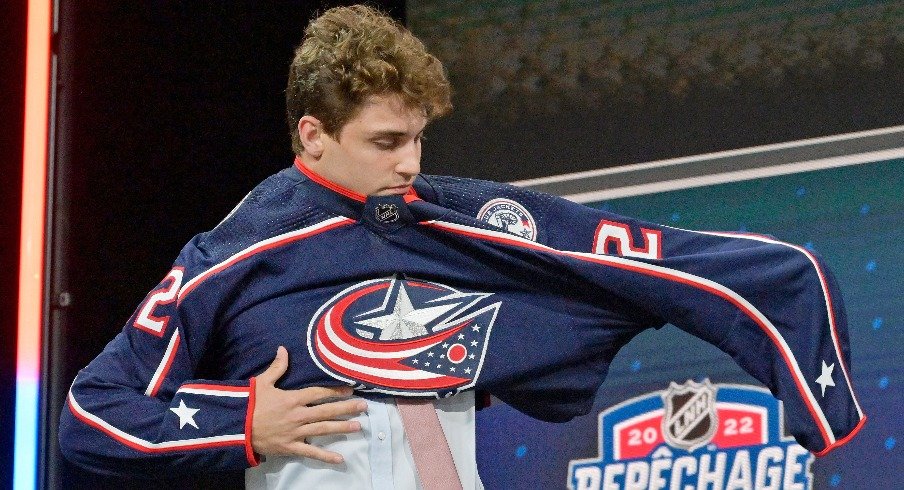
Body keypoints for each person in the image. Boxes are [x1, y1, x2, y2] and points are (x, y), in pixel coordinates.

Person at [59, 4, 865, 489]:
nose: (410, 163)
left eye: (417, 138)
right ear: (313, 135)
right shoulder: (232, 254)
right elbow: (93, 417)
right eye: (385, 141)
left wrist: (793, 320)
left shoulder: (465, 219)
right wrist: (241, 421)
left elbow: (654, 261)